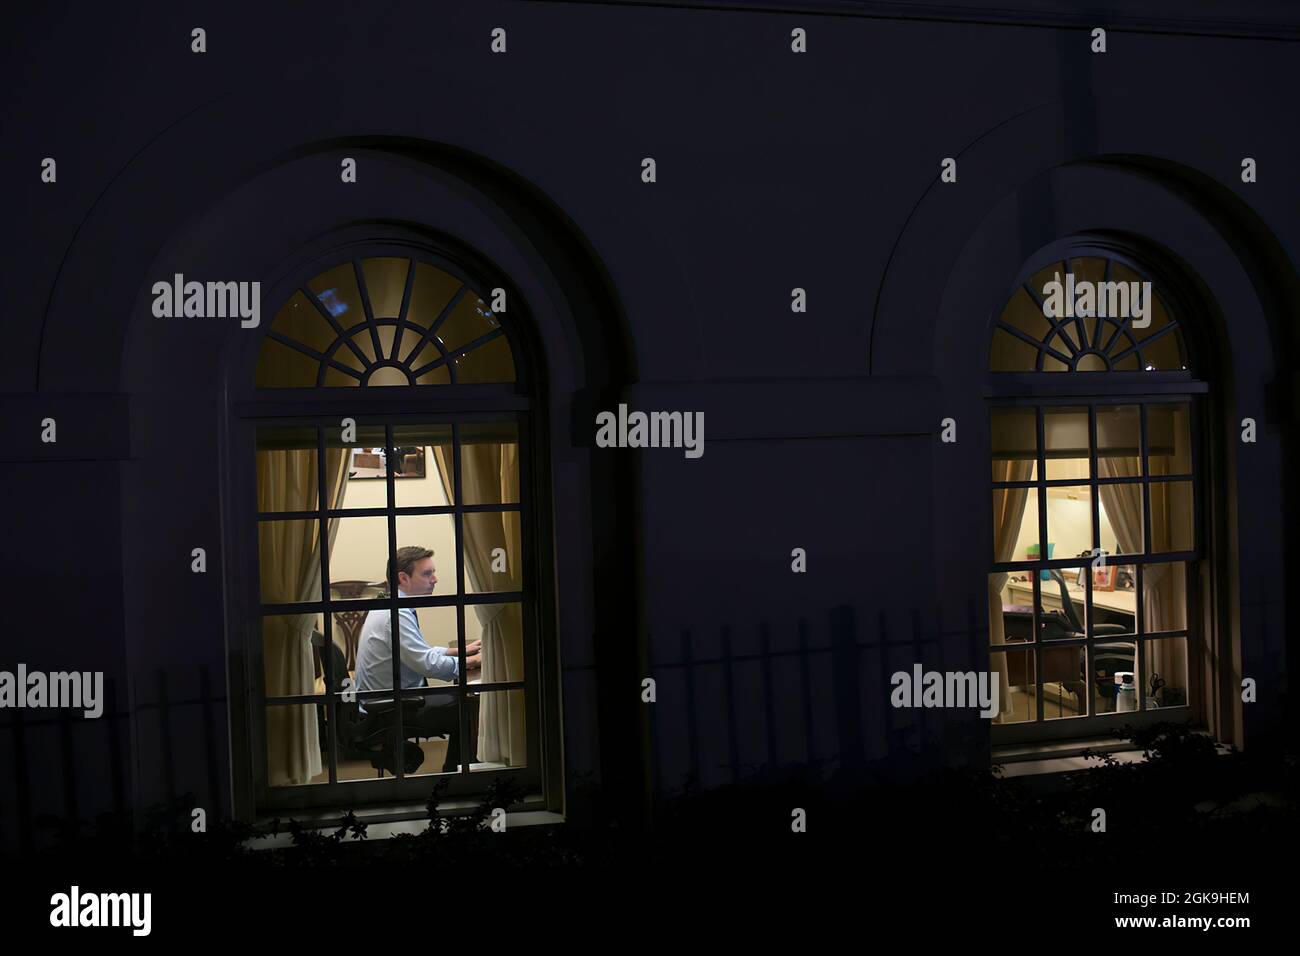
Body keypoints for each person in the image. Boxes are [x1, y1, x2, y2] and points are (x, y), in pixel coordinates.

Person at [352, 545, 481, 772]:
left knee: (462, 699)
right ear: (403, 577)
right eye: (427, 573)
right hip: (392, 708)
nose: (435, 579)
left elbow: (417, 652)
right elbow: (427, 664)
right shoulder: (397, 614)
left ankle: (453, 771)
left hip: (386, 701)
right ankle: (456, 776)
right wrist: (473, 662)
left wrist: (459, 651)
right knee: (470, 707)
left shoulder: (390, 604)